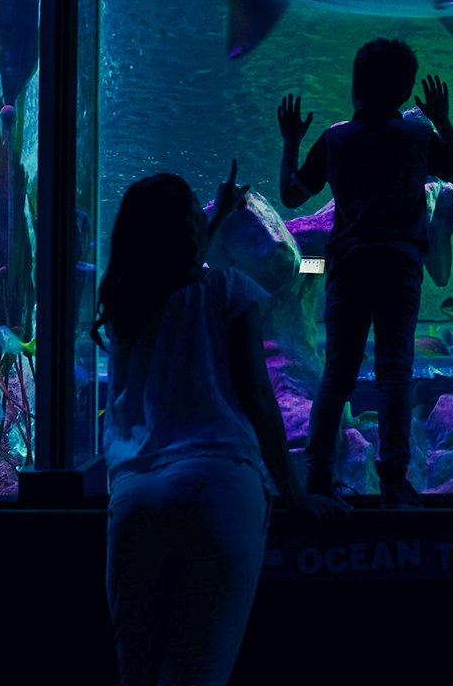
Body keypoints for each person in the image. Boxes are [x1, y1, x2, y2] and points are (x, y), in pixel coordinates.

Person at [95, 164, 339, 686]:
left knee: (136, 673)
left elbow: (179, 269)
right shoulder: (231, 287)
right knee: (197, 672)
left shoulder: (125, 304)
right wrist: (295, 494)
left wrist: (222, 212)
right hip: (216, 486)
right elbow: (259, 399)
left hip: (134, 497)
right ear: (189, 227)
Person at [278, 37, 453, 506]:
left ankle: (318, 477)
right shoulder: (418, 137)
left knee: (337, 373)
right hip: (400, 268)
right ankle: (392, 479)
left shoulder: (336, 139)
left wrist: (291, 141)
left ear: (355, 87)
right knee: (394, 372)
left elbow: (291, 195)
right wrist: (442, 120)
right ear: (407, 92)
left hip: (347, 267)